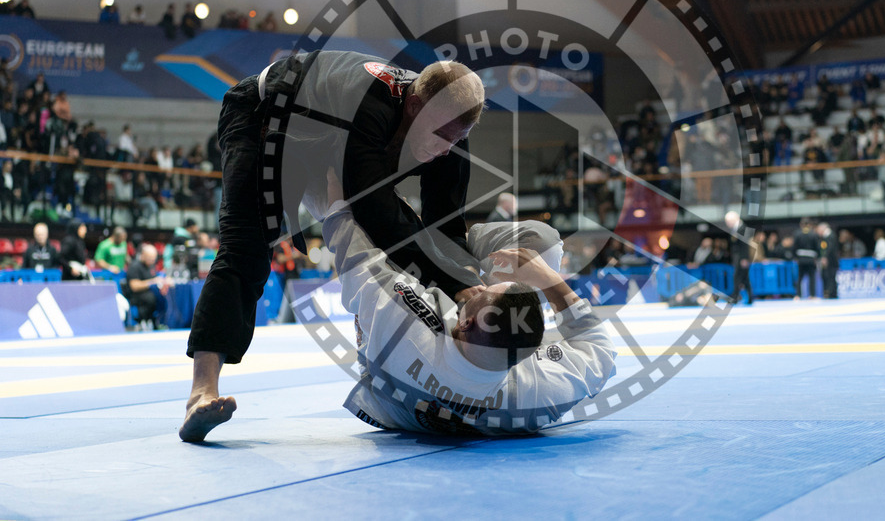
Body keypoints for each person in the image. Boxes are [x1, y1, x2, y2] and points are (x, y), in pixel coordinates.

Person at [180, 51, 487, 442]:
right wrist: (451, 280)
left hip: (326, 140)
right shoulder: (369, 103)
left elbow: (446, 225)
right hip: (264, 120)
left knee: (393, 252)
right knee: (247, 247)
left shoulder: (450, 126)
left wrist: (468, 287)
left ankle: (384, 371)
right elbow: (371, 203)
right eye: (442, 136)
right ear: (413, 105)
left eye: (457, 139)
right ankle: (201, 391)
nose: (447, 149)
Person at [321, 187, 615, 435]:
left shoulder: (407, 324)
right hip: (443, 377)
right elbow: (599, 349)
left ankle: (447, 247)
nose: (481, 287)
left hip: (385, 373)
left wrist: (336, 201)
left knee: (380, 227)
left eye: (482, 292)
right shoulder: (538, 393)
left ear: (463, 321)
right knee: (544, 245)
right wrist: (550, 278)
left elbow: (357, 256)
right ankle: (452, 249)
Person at [125, 244, 170, 330]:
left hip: (149, 292)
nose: (152, 261)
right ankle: (144, 321)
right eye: (150, 258)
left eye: (154, 258)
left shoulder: (151, 266)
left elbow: (156, 278)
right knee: (151, 298)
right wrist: (151, 282)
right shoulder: (134, 266)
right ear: (143, 255)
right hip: (136, 295)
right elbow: (134, 286)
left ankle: (159, 321)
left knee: (163, 297)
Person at [793, 217, 819, 299]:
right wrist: (817, 257)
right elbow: (817, 248)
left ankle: (798, 295)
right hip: (811, 259)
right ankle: (812, 295)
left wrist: (795, 257)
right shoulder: (813, 234)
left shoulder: (797, 234)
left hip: (801, 259)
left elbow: (794, 247)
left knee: (800, 277)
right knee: (812, 278)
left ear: (801, 225)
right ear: (809, 225)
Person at [817, 222, 839, 299]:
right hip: (830, 261)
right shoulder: (826, 237)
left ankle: (831, 293)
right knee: (828, 276)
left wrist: (825, 257)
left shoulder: (830, 236)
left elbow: (830, 248)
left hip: (831, 261)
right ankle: (829, 292)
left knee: (831, 277)